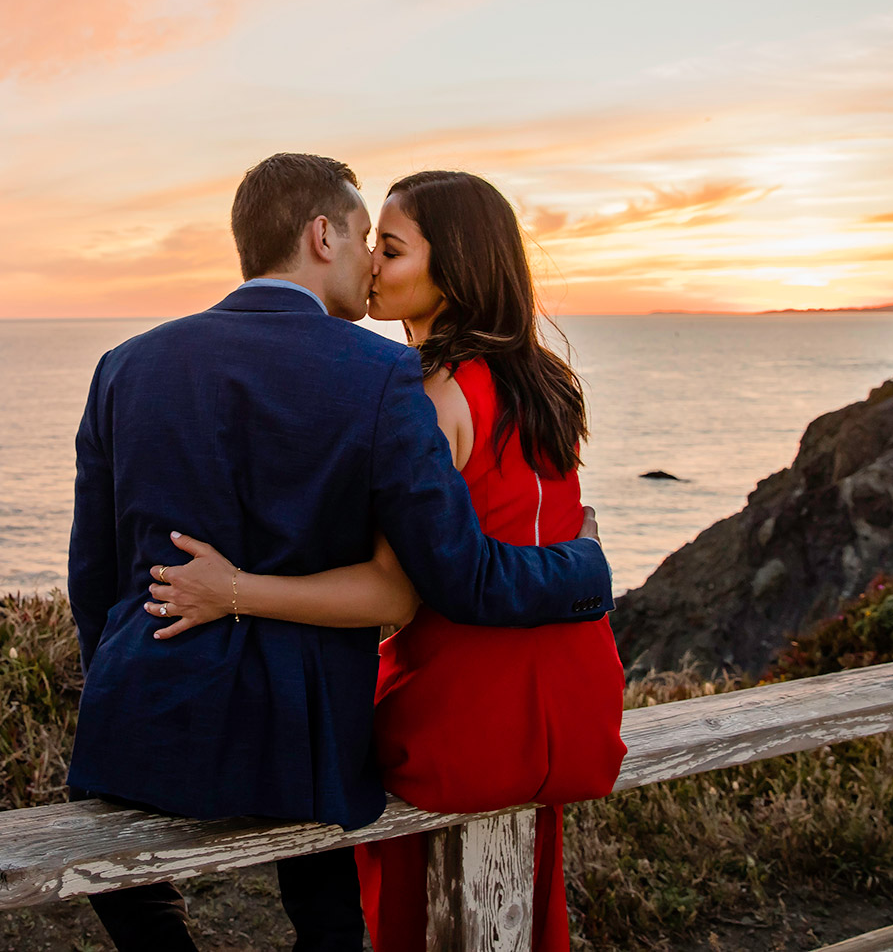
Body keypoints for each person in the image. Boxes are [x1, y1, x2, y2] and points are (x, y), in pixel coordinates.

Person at [67, 153, 613, 952]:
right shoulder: (386, 374)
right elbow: (427, 580)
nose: (370, 261)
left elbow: (93, 578)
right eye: (367, 238)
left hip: (145, 714)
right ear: (322, 235)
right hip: (308, 735)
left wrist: (118, 676)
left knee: (126, 887)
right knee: (330, 922)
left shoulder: (125, 365)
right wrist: (585, 565)